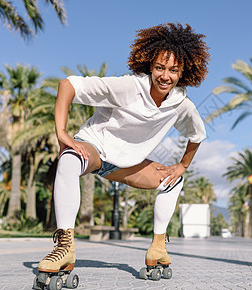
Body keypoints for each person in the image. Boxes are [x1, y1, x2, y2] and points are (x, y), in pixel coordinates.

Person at [37, 23, 210, 276]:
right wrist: (61, 133)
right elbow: (68, 86)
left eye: (173, 70)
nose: (165, 76)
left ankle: (158, 248)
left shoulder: (181, 105)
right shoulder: (129, 87)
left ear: (183, 72)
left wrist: (182, 165)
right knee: (69, 159)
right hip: (95, 149)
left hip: (126, 165)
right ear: (150, 66)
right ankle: (65, 247)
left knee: (174, 181)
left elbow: (197, 135)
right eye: (160, 68)